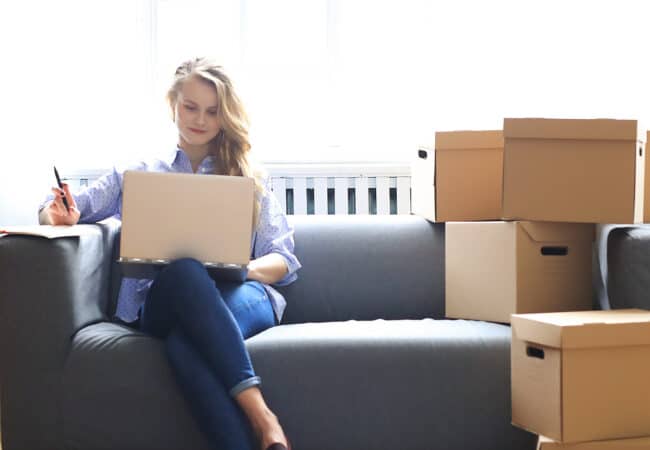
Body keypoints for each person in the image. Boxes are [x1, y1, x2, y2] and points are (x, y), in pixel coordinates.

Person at [39, 57, 299, 450]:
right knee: (185, 273)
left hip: (240, 295)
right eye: (190, 107)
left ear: (225, 115)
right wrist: (55, 215)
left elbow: (282, 259)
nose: (200, 119)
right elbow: (59, 210)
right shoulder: (138, 172)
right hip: (163, 301)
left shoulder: (246, 177)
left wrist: (238, 270)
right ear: (172, 104)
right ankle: (264, 417)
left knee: (184, 343)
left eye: (212, 111)